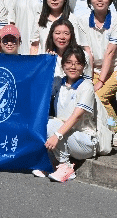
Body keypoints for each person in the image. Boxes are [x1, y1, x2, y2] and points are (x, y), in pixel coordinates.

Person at [36, 47, 99, 182]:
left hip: (84, 142)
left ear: (83, 66)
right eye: (69, 63)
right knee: (45, 121)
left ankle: (65, 166)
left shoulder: (86, 86)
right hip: (66, 136)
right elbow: (41, 88)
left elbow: (76, 116)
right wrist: (48, 62)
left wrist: (57, 135)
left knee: (51, 123)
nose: (73, 67)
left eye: (78, 63)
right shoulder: (59, 83)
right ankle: (54, 163)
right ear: (63, 65)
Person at [81, 0, 117, 142]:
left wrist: (100, 81)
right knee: (85, 94)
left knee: (100, 95)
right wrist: (90, 79)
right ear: (89, 0)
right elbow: (88, 53)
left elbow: (110, 53)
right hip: (94, 68)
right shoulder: (82, 20)